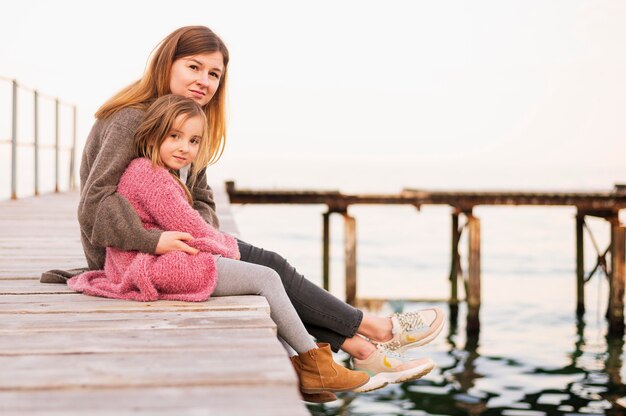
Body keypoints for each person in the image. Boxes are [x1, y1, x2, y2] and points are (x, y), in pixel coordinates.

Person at [42, 25, 444, 399]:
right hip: (130, 253)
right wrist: (153, 239)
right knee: (269, 266)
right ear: (167, 64)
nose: (204, 80)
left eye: (214, 74)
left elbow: (201, 201)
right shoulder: (135, 118)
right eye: (194, 67)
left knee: (268, 268)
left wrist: (200, 234)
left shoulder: (186, 123)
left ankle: (360, 346)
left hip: (176, 240)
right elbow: (94, 204)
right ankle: (373, 331)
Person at [68, 94, 370, 395]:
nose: (185, 147)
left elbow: (191, 224)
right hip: (150, 266)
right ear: (152, 134)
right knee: (266, 277)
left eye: (194, 141)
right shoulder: (151, 176)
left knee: (259, 280)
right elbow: (193, 227)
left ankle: (300, 365)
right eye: (174, 136)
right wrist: (233, 253)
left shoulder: (150, 171)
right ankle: (316, 365)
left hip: (147, 260)